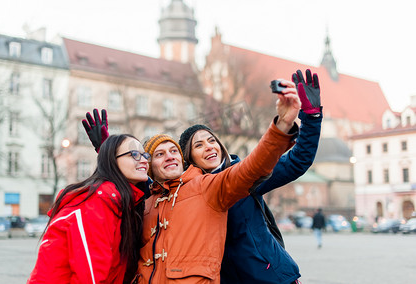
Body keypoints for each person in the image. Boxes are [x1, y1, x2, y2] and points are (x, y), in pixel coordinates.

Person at [83, 78, 300, 283]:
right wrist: (107, 151)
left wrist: (281, 126)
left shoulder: (207, 187)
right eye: (159, 154)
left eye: (173, 151)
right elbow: (121, 188)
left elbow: (251, 168)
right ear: (149, 167)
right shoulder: (146, 202)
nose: (169, 156)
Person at [178, 69, 322, 284]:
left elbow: (297, 160)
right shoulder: (188, 192)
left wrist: (311, 117)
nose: (209, 147)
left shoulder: (244, 175)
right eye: (198, 145)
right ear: (189, 159)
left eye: (211, 140)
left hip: (271, 277)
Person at [27, 134, 150, 284]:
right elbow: (90, 272)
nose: (144, 160)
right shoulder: (97, 200)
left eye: (144, 154)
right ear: (112, 160)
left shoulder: (122, 201)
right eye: (134, 154)